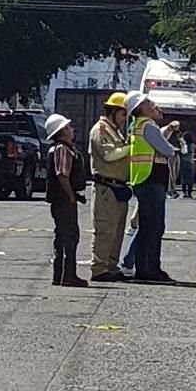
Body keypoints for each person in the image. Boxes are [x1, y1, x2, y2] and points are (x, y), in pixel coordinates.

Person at [125, 92, 177, 282]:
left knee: (147, 226)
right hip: (152, 179)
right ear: (141, 108)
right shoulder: (148, 126)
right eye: (148, 103)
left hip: (143, 178)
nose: (152, 105)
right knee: (155, 226)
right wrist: (172, 148)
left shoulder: (137, 126)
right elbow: (167, 150)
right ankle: (151, 268)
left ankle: (143, 267)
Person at [88, 92, 131, 282]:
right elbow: (109, 155)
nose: (124, 119)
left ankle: (111, 267)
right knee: (105, 230)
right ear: (113, 112)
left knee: (117, 231)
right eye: (123, 114)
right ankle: (99, 268)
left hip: (119, 186)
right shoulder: (101, 130)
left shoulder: (116, 130)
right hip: (106, 187)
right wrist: (131, 147)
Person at [45, 113, 88, 287]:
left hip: (63, 199)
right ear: (61, 131)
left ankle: (61, 274)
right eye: (68, 127)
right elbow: (62, 175)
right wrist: (70, 195)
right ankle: (66, 275)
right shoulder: (62, 149)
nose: (72, 130)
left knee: (65, 235)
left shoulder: (64, 148)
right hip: (63, 200)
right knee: (68, 236)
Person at [163, 121, 182, 198]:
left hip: (177, 153)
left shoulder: (176, 133)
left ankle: (173, 189)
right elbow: (165, 142)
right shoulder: (166, 131)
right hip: (170, 154)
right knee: (171, 173)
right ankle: (170, 190)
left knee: (176, 173)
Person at [180, 132, 195, 199]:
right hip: (191, 163)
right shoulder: (193, 145)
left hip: (183, 162)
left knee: (184, 178)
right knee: (190, 179)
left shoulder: (183, 145)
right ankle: (189, 193)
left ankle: (184, 193)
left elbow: (181, 153)